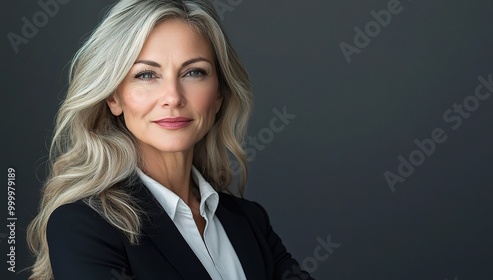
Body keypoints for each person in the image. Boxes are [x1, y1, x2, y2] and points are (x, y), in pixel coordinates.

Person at [27, 0, 313, 279]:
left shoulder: (250, 222)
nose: (173, 97)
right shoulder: (83, 226)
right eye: (147, 74)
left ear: (218, 95)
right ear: (114, 97)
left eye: (194, 72)